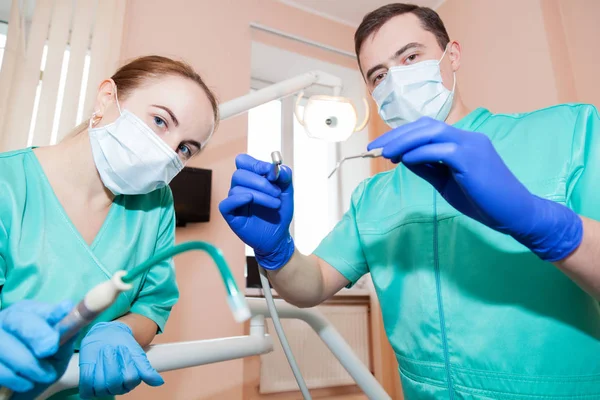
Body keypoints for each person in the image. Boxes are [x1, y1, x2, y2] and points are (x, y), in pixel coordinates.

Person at [220, 3, 600, 399]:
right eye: (379, 75)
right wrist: (277, 250)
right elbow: (311, 284)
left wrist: (545, 224)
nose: (396, 81)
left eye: (411, 57)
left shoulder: (567, 132)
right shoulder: (374, 196)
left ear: (452, 55)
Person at [0, 55, 218, 399]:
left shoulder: (157, 205)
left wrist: (120, 331)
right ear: (106, 98)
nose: (167, 151)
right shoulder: (8, 186)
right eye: (160, 121)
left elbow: (152, 307)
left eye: (185, 148)